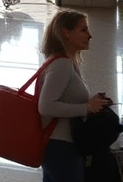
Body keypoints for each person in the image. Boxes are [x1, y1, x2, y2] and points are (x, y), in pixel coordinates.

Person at [38, 10, 110, 181]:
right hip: (60, 146)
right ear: (66, 33)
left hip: (60, 146)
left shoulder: (65, 62)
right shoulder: (61, 64)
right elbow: (46, 106)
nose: (90, 35)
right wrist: (86, 107)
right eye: (83, 30)